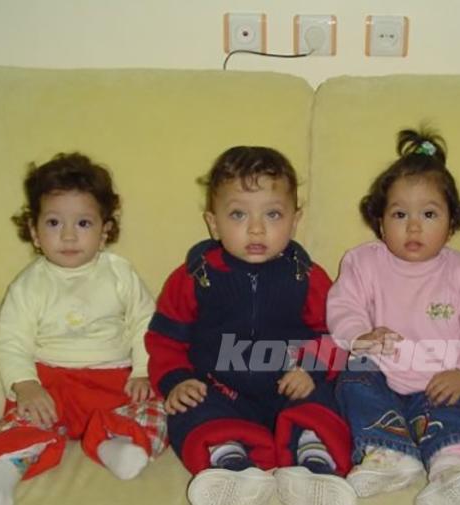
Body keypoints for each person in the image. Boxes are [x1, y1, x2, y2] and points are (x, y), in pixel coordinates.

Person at [327, 128, 460, 505]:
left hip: (441, 379)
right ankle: (389, 454)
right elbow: (344, 306)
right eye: (399, 214)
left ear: (452, 223)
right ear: (380, 222)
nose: (413, 226)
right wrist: (359, 335)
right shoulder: (363, 262)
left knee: (451, 408)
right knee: (353, 379)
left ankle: (450, 467)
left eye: (429, 214)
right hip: (382, 375)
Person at [145, 146, 355, 505]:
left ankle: (313, 462)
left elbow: (336, 336)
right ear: (213, 223)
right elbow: (165, 341)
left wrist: (312, 370)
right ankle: (231, 464)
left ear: (295, 220)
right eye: (238, 214)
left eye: (273, 214)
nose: (256, 228)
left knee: (331, 398)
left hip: (293, 387)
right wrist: (177, 381)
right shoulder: (195, 277)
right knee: (186, 408)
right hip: (219, 390)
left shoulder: (307, 277)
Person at [0, 153, 167, 505]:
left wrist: (143, 371)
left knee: (159, 409)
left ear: (104, 232)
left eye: (83, 223)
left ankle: (115, 445)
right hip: (51, 384)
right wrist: (26, 385)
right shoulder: (30, 285)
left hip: (114, 381)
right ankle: (1, 476)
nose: (68, 235)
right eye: (54, 223)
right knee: (20, 420)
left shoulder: (119, 273)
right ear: (35, 232)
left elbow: (146, 322)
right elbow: (12, 340)